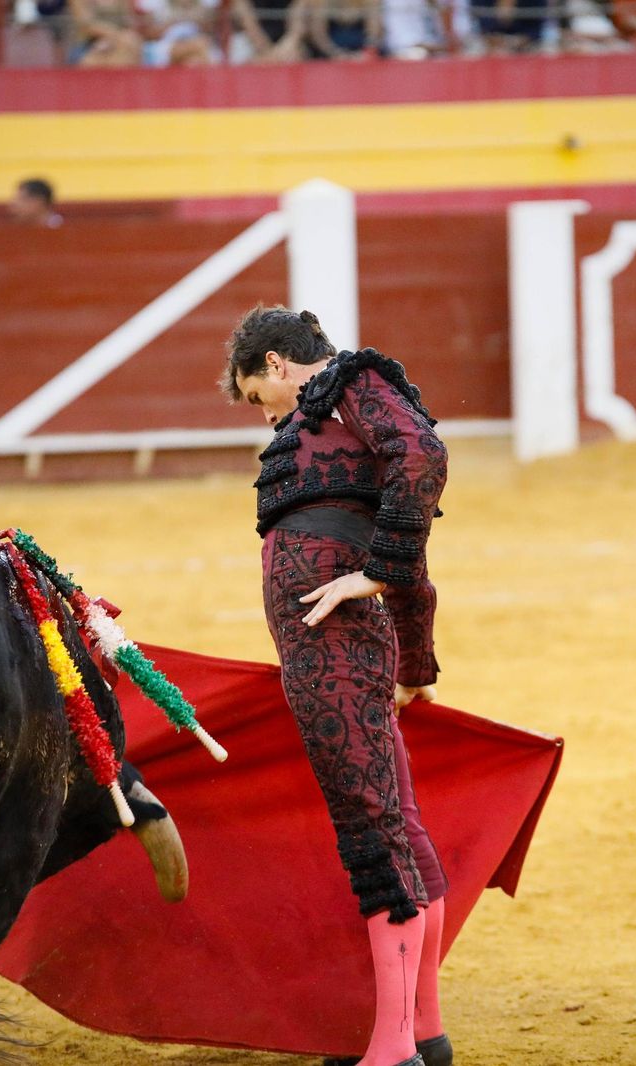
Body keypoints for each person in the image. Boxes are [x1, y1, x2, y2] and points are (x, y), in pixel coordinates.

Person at [221, 306, 453, 1066]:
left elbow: (421, 453)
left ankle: (393, 1052)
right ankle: (423, 1034)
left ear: (277, 363)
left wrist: (376, 574)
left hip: (332, 647)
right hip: (333, 647)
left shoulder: (352, 381)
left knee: (373, 828)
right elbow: (413, 565)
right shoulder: (332, 421)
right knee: (394, 820)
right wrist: (414, 664)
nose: (263, 411)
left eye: (256, 394)